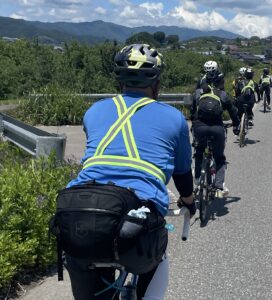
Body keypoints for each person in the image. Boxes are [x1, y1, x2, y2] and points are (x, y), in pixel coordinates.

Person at [57, 44, 196, 300]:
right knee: (157, 256)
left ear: (118, 80)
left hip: (79, 211)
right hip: (137, 214)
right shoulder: (174, 118)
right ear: (157, 82)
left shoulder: (94, 111)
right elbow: (182, 172)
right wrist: (189, 202)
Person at [191, 69, 240, 197]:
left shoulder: (198, 93)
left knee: (199, 153)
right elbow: (233, 112)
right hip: (217, 129)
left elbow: (192, 112)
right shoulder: (222, 95)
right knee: (219, 158)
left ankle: (197, 179)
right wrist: (236, 124)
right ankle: (218, 187)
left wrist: (194, 125)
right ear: (220, 82)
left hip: (199, 128)